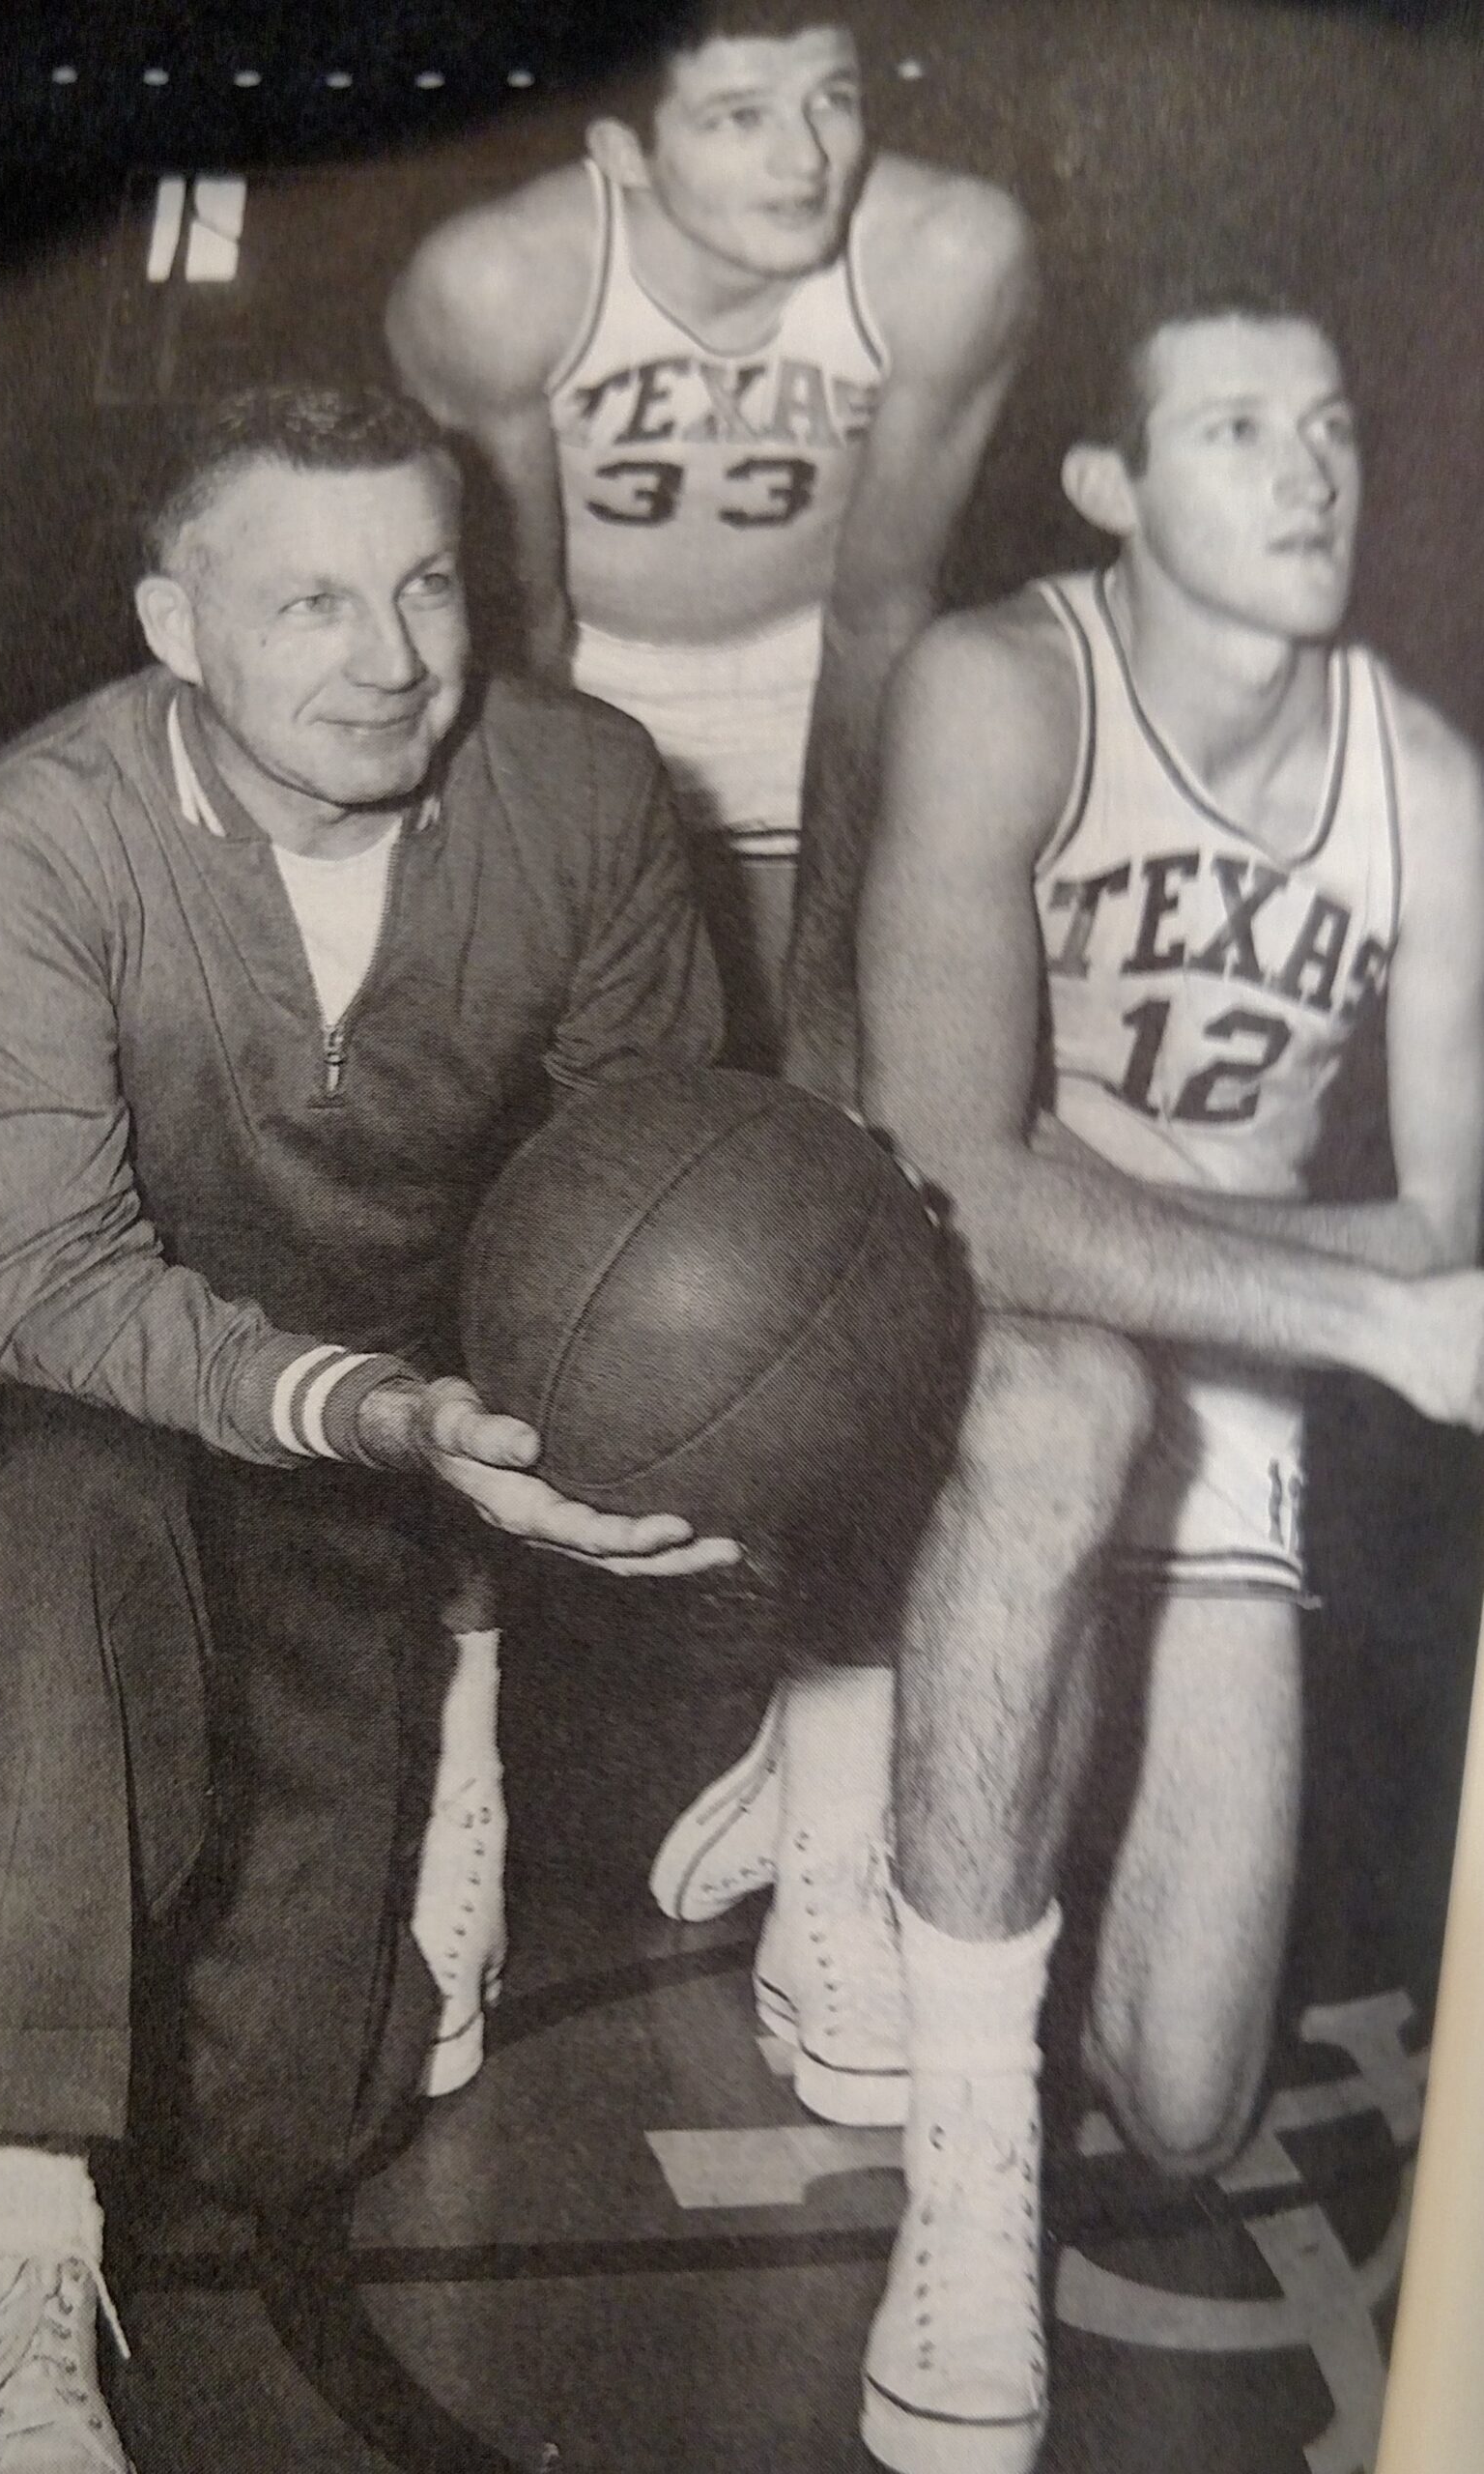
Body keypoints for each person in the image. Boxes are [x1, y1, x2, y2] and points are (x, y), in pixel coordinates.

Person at [0, 382, 737, 2474]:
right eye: (309, 604)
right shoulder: (22, 848)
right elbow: (50, 1290)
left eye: (427, 583)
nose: (389, 659)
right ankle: (2, 2256)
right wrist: (374, 1406)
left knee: (295, 2118)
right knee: (62, 1516)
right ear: (176, 625)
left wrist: (641, 1440)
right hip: (117, 1404)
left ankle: (91, 1779)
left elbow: (646, 1181)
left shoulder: (583, 789)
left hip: (398, 1455)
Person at [842, 283, 1484, 2473]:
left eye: (1325, 426)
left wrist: (1312, 1294)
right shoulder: (1002, 686)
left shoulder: (1423, 788)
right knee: (1051, 1410)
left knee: (1192, 2105)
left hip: (1243, 1374)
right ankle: (954, 2182)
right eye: (1232, 429)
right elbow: (952, 1171)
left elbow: (1439, 1232)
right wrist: (1365, 1308)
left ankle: (905, 1715)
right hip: (962, 1336)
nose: (1305, 472)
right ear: (1108, 485)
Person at [385, 0, 1034, 2123]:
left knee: (876, 1244)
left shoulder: (942, 260)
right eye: (736, 109)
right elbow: (525, 652)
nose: (800, 151)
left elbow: (881, 622)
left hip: (834, 728)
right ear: (614, 141)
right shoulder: (497, 283)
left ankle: (833, 1803)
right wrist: (584, 1021)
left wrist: (835, 1011)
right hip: (571, 731)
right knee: (488, 1243)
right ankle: (439, 1794)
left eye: (832, 95)